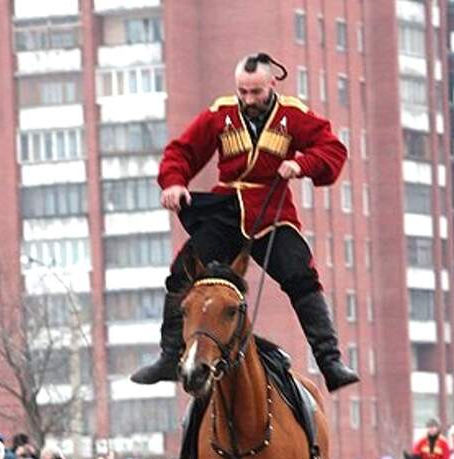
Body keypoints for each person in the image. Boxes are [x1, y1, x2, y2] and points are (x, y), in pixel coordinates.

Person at [130, 52, 358, 393]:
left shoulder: (293, 115)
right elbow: (181, 152)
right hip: (225, 210)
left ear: (272, 85)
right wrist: (174, 181)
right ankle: (169, 357)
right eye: (243, 92)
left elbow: (332, 150)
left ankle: (330, 362)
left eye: (256, 92)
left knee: (301, 276)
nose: (249, 100)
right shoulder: (220, 114)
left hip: (271, 212)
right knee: (183, 272)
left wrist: (302, 164)